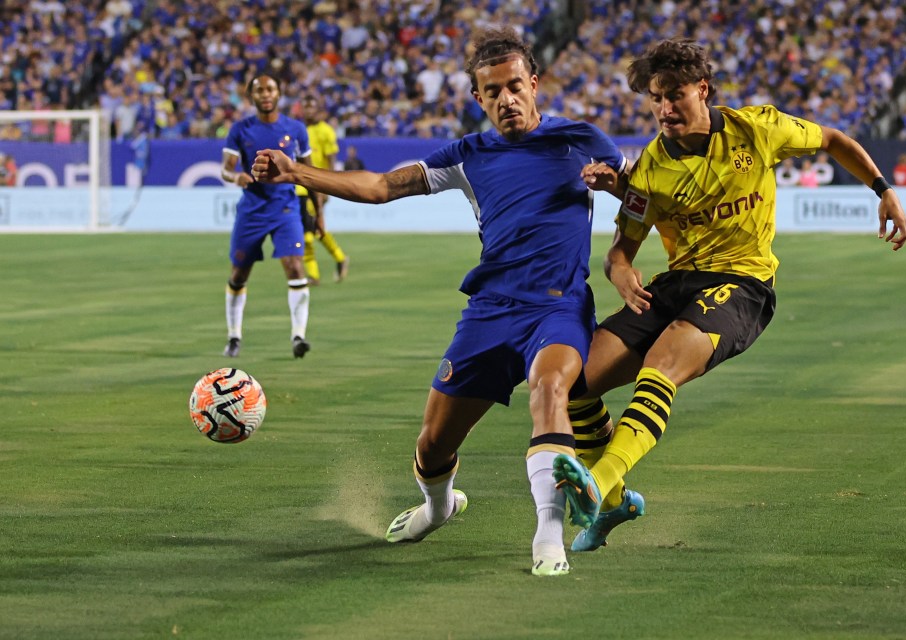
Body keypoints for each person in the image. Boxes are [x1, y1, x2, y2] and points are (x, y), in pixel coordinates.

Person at [252, 26, 627, 576]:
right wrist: (297, 172)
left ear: (535, 84)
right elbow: (382, 186)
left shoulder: (584, 140)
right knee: (432, 445)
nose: (507, 99)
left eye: (515, 86)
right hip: (490, 311)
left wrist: (616, 188)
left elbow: (641, 198)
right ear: (478, 98)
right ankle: (439, 505)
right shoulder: (466, 155)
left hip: (558, 306)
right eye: (493, 91)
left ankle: (549, 538)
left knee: (551, 390)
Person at [550, 38, 906, 550]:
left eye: (674, 95)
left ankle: (599, 479)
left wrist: (884, 189)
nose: (664, 109)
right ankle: (613, 504)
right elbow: (621, 249)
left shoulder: (755, 129)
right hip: (677, 284)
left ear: (703, 88)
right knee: (575, 384)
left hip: (742, 285)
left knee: (663, 361)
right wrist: (620, 270)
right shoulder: (651, 166)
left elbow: (830, 139)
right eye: (655, 98)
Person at [220, 73, 317, 359]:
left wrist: (318, 213)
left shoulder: (296, 129)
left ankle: (298, 336)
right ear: (251, 96)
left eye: (270, 89)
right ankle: (234, 336)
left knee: (296, 267)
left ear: (279, 93)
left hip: (285, 208)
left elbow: (310, 173)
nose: (265, 94)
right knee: (239, 273)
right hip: (252, 209)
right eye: (259, 90)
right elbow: (225, 168)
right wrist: (235, 176)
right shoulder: (240, 129)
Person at [296, 95, 350, 285]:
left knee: (310, 231)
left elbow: (331, 161)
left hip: (317, 185)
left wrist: (328, 187)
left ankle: (334, 261)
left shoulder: (326, 131)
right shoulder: (299, 129)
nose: (309, 111)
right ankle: (326, 266)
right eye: (306, 107)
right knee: (309, 230)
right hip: (300, 185)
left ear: (320, 110)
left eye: (312, 107)